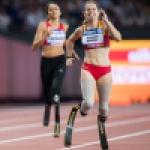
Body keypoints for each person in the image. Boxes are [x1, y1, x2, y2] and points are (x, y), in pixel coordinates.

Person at [66, 0, 121, 125]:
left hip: (104, 69)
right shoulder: (82, 29)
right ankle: (81, 109)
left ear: (98, 12)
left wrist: (107, 21)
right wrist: (69, 56)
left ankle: (102, 120)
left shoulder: (105, 26)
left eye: (93, 9)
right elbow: (69, 41)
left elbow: (118, 37)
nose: (91, 11)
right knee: (89, 103)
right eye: (88, 10)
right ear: (85, 14)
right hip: (88, 68)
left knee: (104, 108)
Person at [31, 1, 69, 137]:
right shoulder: (43, 26)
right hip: (46, 61)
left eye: (56, 9)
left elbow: (66, 43)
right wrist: (45, 36)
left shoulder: (65, 27)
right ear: (48, 13)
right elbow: (34, 47)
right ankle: (47, 107)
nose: (54, 12)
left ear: (60, 12)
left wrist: (71, 54)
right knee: (48, 95)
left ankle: (57, 123)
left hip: (60, 60)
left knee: (56, 91)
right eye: (51, 10)